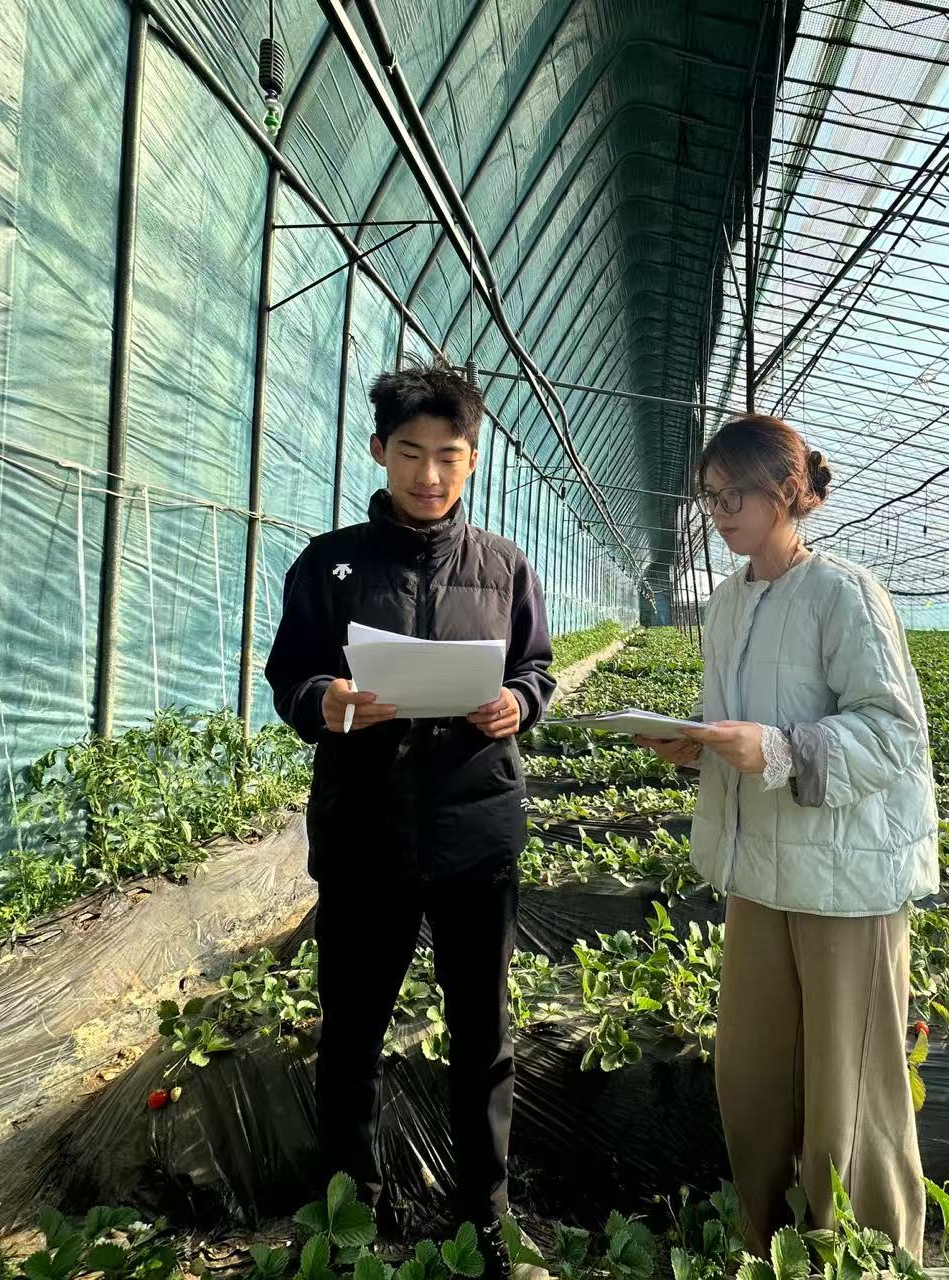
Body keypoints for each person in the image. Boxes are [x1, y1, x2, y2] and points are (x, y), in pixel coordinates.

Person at [265, 359, 554, 1277]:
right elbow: (291, 676)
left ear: (472, 461)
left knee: (483, 1030)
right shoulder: (331, 562)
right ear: (382, 452)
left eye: (450, 457)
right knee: (351, 1029)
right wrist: (328, 699)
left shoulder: (503, 565)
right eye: (412, 454)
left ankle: (487, 1207)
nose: (430, 476)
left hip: (476, 832)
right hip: (365, 830)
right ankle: (351, 1202)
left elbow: (536, 669)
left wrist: (517, 703)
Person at [638, 415, 940, 1260]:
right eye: (708, 495)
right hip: (760, 868)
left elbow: (892, 733)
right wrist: (692, 748)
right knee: (754, 1078)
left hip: (845, 881)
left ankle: (868, 1255)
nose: (719, 509)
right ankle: (764, 1238)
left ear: (787, 491)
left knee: (851, 1090)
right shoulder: (729, 603)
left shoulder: (843, 594)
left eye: (733, 492)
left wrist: (774, 749)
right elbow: (734, 724)